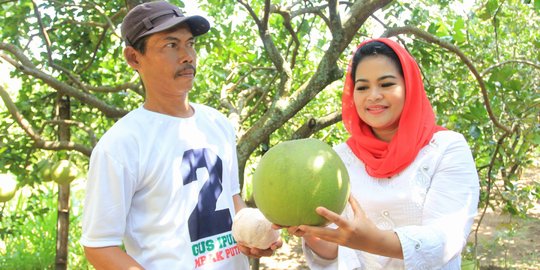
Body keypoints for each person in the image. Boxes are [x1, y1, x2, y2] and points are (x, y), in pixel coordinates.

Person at [81, 1, 280, 269]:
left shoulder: (217, 123)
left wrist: (253, 236)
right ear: (133, 58)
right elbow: (98, 245)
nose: (187, 56)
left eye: (190, 44)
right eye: (171, 45)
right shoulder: (121, 144)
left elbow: (231, 199)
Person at [284, 38, 480, 269]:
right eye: (363, 87)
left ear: (410, 86)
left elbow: (446, 239)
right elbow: (338, 251)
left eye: (386, 84)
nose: (373, 95)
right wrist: (308, 231)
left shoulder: (446, 148)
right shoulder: (339, 159)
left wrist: (374, 241)